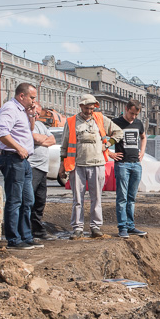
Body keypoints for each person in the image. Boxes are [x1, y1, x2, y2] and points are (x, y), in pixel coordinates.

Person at [59, 94, 123, 239]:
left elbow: (118, 132)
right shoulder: (71, 122)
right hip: (77, 165)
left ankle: (95, 227)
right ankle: (77, 228)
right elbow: (64, 146)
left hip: (97, 164)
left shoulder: (100, 118)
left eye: (92, 108)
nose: (89, 111)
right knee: (78, 199)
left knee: (96, 198)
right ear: (81, 106)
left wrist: (107, 144)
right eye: (87, 108)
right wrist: (62, 166)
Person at [0, 82, 42, 251]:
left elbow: (28, 130)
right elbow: (1, 132)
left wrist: (31, 115)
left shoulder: (22, 111)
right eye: (32, 97)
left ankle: (26, 236)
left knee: (28, 200)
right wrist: (18, 147)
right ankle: (14, 239)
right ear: (22, 96)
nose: (34, 101)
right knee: (15, 200)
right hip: (13, 159)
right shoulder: (10, 108)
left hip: (24, 161)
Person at [112, 99, 147, 239]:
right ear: (126, 109)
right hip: (122, 164)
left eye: (136, 115)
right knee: (122, 197)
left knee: (131, 198)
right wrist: (109, 153)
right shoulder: (116, 122)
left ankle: (130, 226)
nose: (133, 117)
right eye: (132, 113)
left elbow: (143, 137)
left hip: (136, 164)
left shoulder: (138, 124)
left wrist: (142, 151)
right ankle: (122, 227)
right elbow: (104, 138)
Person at [30, 102, 57, 240]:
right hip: (32, 166)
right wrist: (40, 140)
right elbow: (32, 138)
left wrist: (41, 141)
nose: (37, 115)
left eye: (38, 113)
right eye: (35, 112)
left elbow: (51, 140)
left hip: (43, 168)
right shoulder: (27, 124)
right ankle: (28, 231)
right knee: (30, 199)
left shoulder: (40, 125)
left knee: (40, 200)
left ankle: (38, 230)